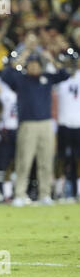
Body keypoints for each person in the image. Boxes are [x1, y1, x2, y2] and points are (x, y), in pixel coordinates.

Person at [1, 51, 70, 206]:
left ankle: (45, 194)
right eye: (31, 64)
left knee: (46, 161)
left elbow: (65, 75)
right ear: (27, 66)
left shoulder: (47, 78)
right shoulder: (21, 79)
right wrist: (21, 58)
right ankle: (19, 194)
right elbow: (6, 75)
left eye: (36, 64)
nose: (33, 67)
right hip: (27, 125)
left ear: (40, 66)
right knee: (23, 161)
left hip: (46, 124)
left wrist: (52, 59)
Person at [54, 57, 80, 201]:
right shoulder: (60, 79)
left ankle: (78, 190)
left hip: (78, 124)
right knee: (61, 158)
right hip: (63, 123)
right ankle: (59, 191)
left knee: (77, 159)